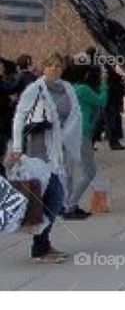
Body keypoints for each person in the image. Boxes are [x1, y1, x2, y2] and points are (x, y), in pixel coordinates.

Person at [7, 52, 82, 263]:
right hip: (37, 153)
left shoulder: (67, 88)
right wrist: (18, 147)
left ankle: (42, 245)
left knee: (53, 198)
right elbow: (19, 117)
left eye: (59, 66)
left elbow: (75, 115)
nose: (56, 69)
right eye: (52, 66)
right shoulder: (35, 89)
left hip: (58, 152)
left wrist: (68, 139)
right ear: (44, 67)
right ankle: (41, 247)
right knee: (55, 196)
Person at [62, 58, 108, 220]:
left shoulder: (69, 89)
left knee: (68, 170)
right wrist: (104, 84)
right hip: (82, 133)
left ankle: (66, 203)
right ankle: (71, 205)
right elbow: (102, 100)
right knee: (89, 172)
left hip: (68, 133)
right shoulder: (82, 90)